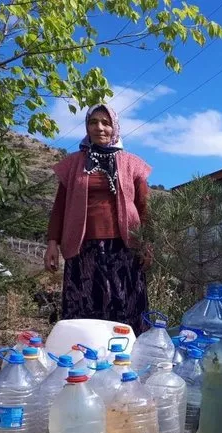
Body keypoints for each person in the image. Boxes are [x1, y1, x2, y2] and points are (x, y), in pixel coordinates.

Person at [44, 104, 152, 335]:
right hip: (83, 247)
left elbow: (145, 208)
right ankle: (84, 357)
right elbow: (60, 206)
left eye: (105, 122)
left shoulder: (131, 164)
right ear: (86, 127)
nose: (99, 128)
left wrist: (148, 244)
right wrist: (52, 243)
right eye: (93, 122)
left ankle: (126, 360)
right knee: (85, 305)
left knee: (124, 303)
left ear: (115, 127)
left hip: (124, 247)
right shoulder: (74, 163)